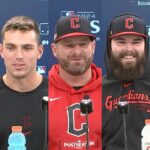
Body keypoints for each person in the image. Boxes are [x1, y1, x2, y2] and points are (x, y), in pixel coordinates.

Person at [48, 15, 102, 149]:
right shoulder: (41, 91)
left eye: (83, 44)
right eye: (69, 45)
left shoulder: (110, 91)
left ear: (93, 46)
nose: (77, 52)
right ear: (55, 50)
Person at [102, 13, 150, 150]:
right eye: (121, 41)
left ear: (146, 45)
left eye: (136, 42)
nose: (129, 49)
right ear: (109, 45)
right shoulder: (94, 90)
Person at [0, 16, 48, 149]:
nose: (19, 56)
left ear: (39, 51)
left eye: (27, 48)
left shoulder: (59, 94)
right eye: (11, 48)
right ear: (1, 50)